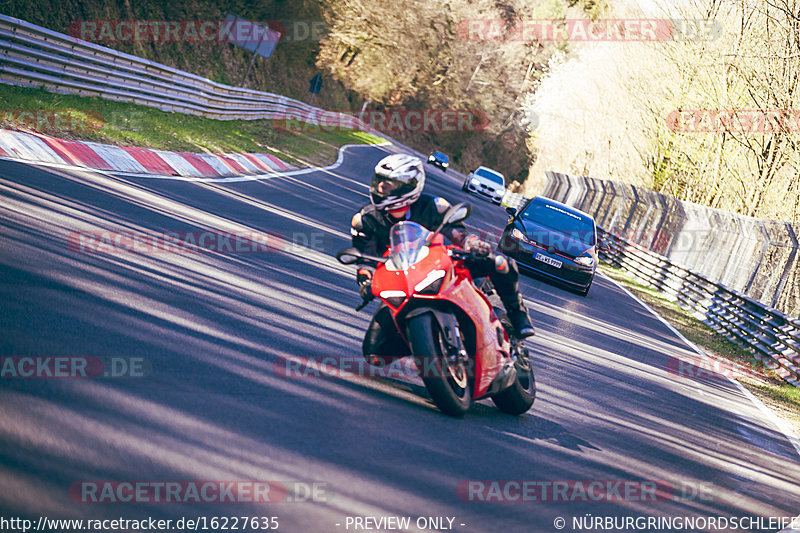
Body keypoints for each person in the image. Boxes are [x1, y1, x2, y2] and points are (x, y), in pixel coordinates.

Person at [350, 153, 535, 362]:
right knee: (375, 354)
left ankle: (518, 314)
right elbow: (365, 259)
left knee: (500, 263)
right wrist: (365, 280)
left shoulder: (433, 206)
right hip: (402, 284)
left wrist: (473, 245)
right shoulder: (365, 220)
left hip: (444, 266)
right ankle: (425, 342)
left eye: (389, 185)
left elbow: (459, 234)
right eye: (379, 182)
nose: (381, 188)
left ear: (409, 186)